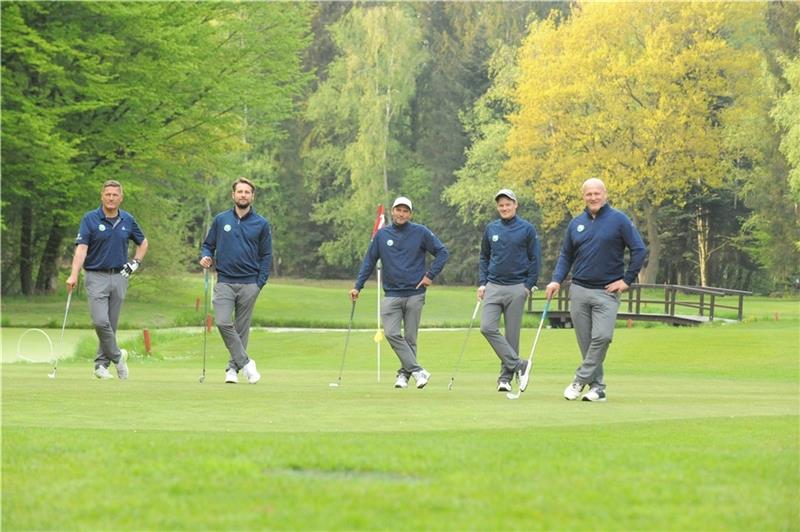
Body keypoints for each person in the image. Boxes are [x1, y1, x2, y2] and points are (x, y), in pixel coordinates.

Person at [545, 178, 647, 402]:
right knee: (586, 343)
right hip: (579, 290)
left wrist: (627, 280)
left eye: (597, 193)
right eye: (589, 194)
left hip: (606, 292)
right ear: (583, 196)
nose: (593, 197)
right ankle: (598, 388)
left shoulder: (619, 220)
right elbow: (565, 256)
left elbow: (639, 250)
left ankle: (579, 380)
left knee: (602, 337)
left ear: (605, 194)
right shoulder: (576, 223)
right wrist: (555, 280)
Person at [350, 196, 449, 389]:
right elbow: (369, 261)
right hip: (392, 294)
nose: (401, 214)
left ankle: (404, 376)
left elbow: (442, 252)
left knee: (411, 338)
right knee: (391, 333)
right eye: (398, 210)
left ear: (410, 214)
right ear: (392, 211)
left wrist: (430, 276)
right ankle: (419, 371)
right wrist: (357, 286)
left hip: (415, 293)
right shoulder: (382, 235)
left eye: (405, 211)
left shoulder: (420, 232)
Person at [67, 180, 148, 379]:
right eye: (108, 194)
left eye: (115, 195)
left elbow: (143, 242)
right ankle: (118, 357)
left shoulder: (127, 219)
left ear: (121, 198)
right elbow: (82, 249)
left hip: (120, 276)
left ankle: (101, 366)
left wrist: (135, 262)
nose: (111, 198)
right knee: (100, 321)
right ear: (102, 196)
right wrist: (74, 274)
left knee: (111, 324)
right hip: (96, 276)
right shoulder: (90, 219)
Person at [200, 177, 271, 384]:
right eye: (239, 192)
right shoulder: (221, 220)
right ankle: (247, 364)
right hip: (224, 281)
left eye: (247, 192)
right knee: (222, 322)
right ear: (233, 195)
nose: (243, 195)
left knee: (241, 329)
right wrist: (205, 256)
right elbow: (208, 245)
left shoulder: (261, 224)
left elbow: (266, 255)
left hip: (250, 283)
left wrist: (260, 283)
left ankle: (232, 370)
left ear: (252, 196)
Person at [478, 189, 541, 393]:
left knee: (512, 336)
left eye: (508, 204)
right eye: (501, 205)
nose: (504, 208)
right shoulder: (491, 229)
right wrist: (482, 283)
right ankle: (519, 365)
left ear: (515, 205)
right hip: (493, 286)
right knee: (487, 327)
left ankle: (505, 378)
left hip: (517, 287)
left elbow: (535, 259)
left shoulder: (527, 229)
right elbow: (484, 257)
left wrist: (527, 285)